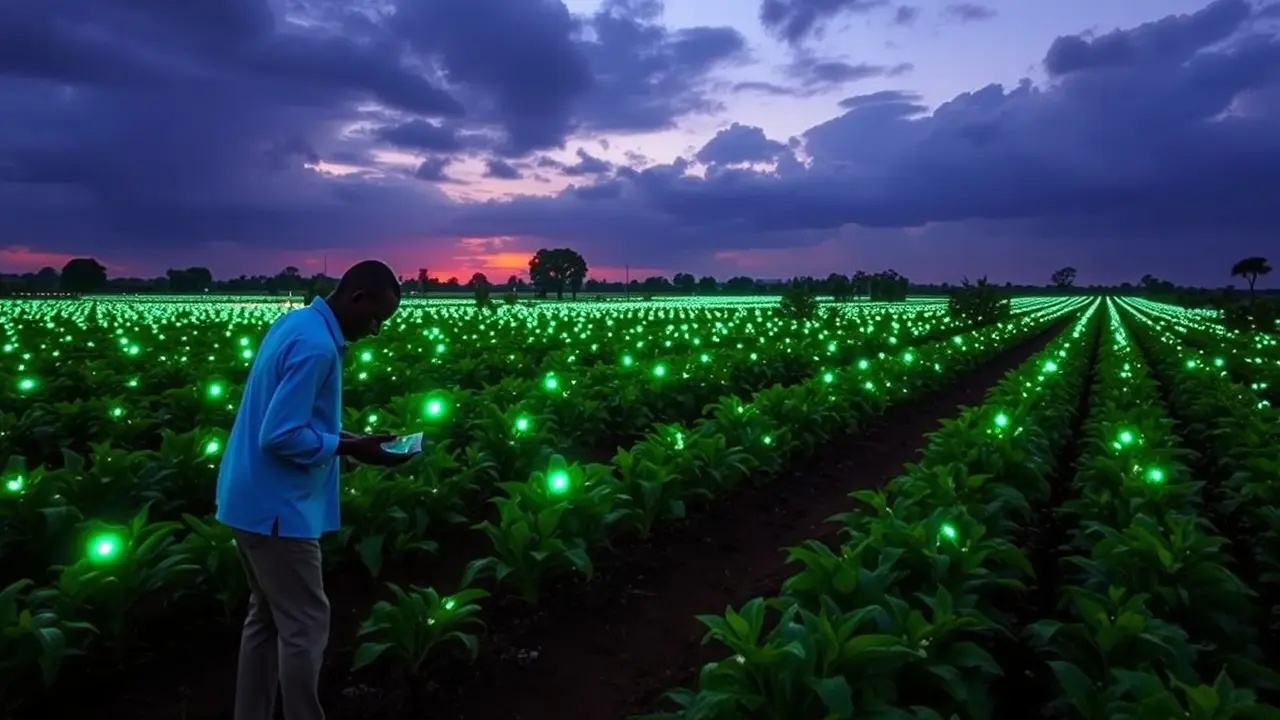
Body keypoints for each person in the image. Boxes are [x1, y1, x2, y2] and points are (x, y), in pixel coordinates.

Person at [216, 260, 412, 720]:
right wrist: (354, 451)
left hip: (248, 499)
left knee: (264, 620)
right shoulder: (317, 347)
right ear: (358, 298)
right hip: (278, 512)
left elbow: (292, 422)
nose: (376, 330)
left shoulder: (295, 323)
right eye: (376, 319)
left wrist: (351, 440)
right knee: (305, 624)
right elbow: (280, 436)